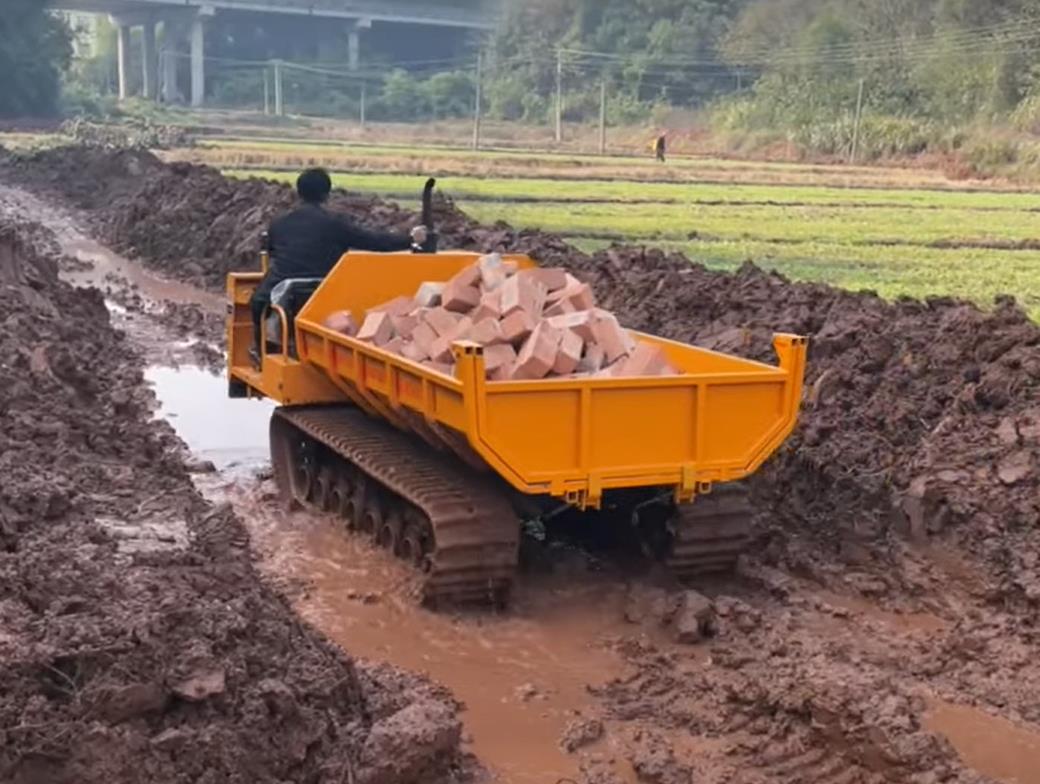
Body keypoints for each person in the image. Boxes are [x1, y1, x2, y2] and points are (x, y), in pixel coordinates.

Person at [250, 168, 427, 362]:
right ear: (327, 194)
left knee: (258, 301)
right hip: (324, 287)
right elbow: (374, 242)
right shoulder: (335, 224)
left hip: (285, 286)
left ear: (298, 192)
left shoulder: (280, 223)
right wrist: (410, 240)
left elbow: (273, 251)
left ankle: (263, 353)